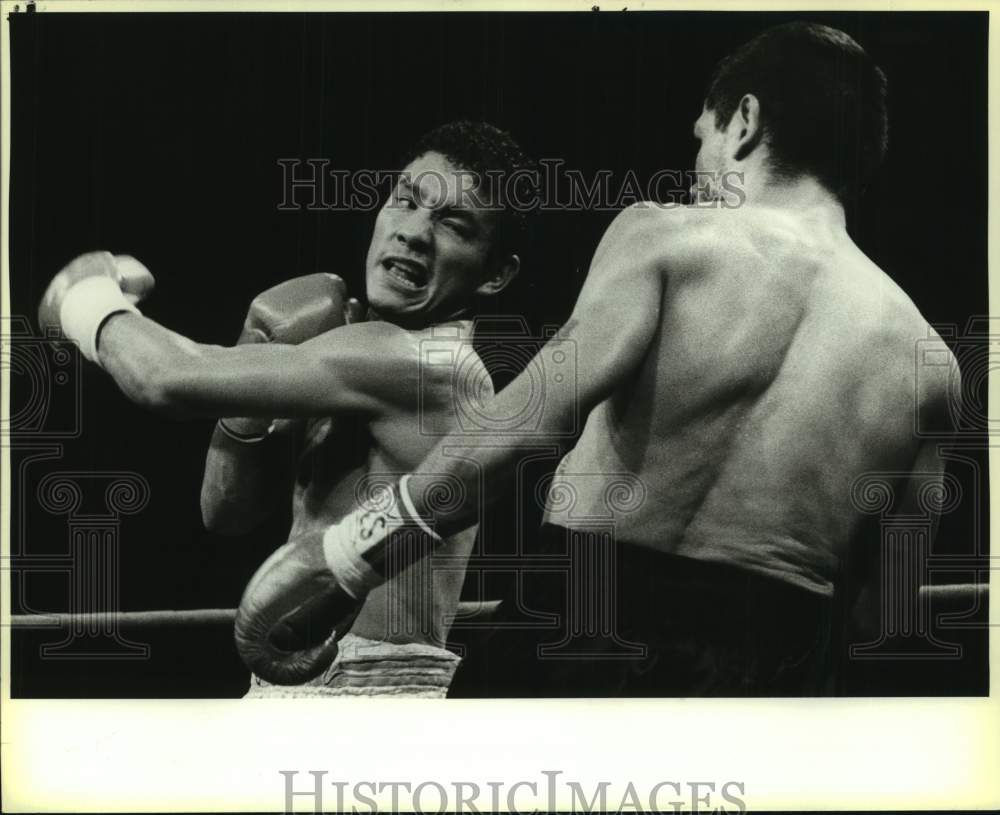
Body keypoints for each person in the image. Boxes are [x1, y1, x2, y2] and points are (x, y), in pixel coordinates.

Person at [243, 22, 961, 695]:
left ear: (743, 122)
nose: (697, 169)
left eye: (701, 139)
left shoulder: (665, 238)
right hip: (776, 665)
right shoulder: (930, 359)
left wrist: (346, 554)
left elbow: (525, 425)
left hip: (588, 622)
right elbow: (883, 615)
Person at [38, 120, 539, 697]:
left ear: (497, 274)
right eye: (406, 202)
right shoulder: (352, 354)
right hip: (317, 681)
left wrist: (86, 298)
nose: (413, 234)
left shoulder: (421, 364)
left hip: (362, 690)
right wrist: (261, 357)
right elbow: (224, 513)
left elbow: (167, 380)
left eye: (453, 224)